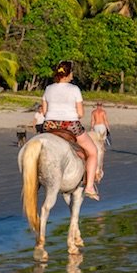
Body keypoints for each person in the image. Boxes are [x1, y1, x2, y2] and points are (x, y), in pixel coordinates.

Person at [41, 61, 100, 199]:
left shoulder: (48, 88)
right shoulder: (74, 89)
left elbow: (44, 112)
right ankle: (90, 187)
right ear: (69, 74)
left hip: (49, 125)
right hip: (70, 125)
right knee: (93, 152)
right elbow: (80, 113)